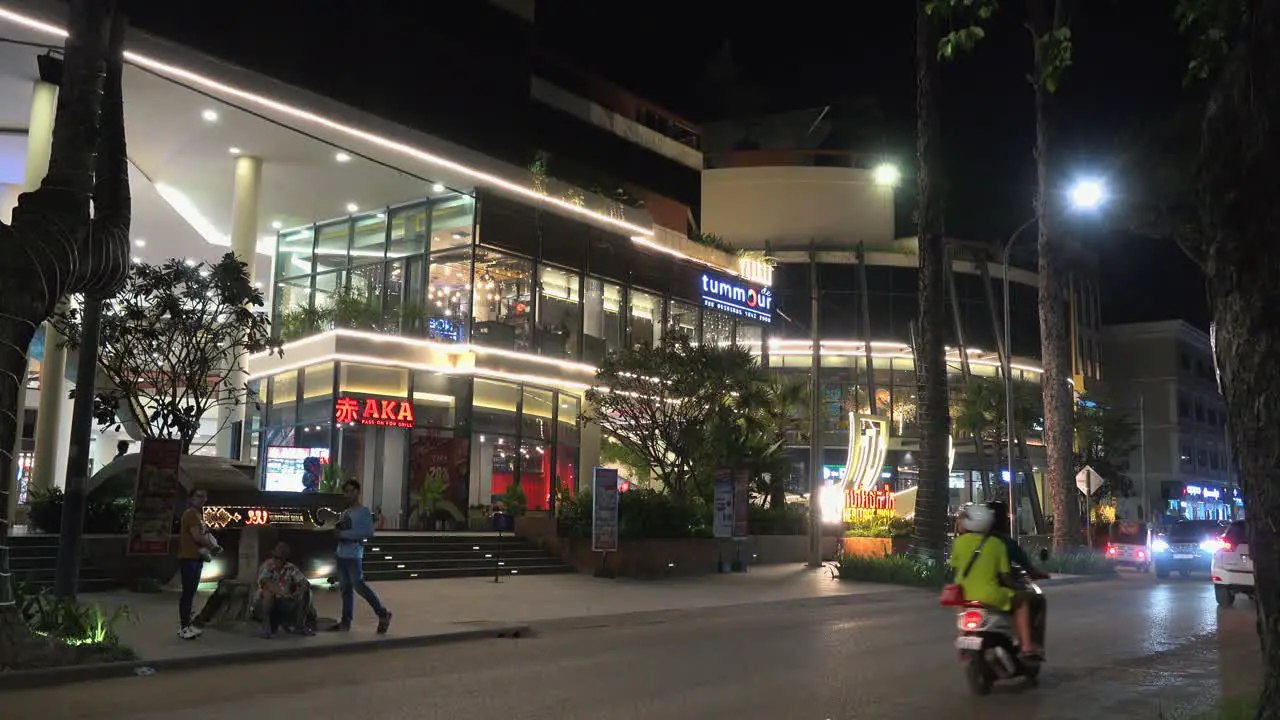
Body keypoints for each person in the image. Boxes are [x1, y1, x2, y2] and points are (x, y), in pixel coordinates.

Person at [949, 504, 1041, 658]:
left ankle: (964, 633)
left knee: (962, 613)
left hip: (963, 597)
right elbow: (1006, 576)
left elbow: (956, 570)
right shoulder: (997, 544)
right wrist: (1017, 586)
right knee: (1022, 602)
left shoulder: (958, 543)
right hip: (990, 596)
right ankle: (1026, 645)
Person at [328, 480, 392, 633]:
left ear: (357, 492)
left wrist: (344, 534)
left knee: (359, 585)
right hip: (341, 553)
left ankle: (382, 612)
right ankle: (346, 621)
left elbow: (367, 533)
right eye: (346, 492)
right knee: (345, 589)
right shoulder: (346, 512)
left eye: (350, 491)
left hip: (353, 555)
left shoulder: (363, 512)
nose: (347, 495)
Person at [176, 488, 219, 640]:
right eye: (199, 496)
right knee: (188, 592)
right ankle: (184, 626)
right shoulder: (190, 514)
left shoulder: (197, 515)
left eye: (204, 496)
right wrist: (212, 547)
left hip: (196, 557)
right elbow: (197, 536)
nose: (202, 499)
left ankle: (187, 625)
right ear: (191, 498)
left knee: (191, 592)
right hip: (189, 557)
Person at [256, 542, 315, 638]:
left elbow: (305, 582)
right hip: (265, 603)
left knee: (306, 591)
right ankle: (265, 626)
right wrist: (282, 593)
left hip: (284, 601)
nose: (276, 560)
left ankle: (300, 625)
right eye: (275, 557)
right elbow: (265, 581)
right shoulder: (268, 566)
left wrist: (298, 592)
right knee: (267, 593)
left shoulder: (290, 568)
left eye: (280, 557)